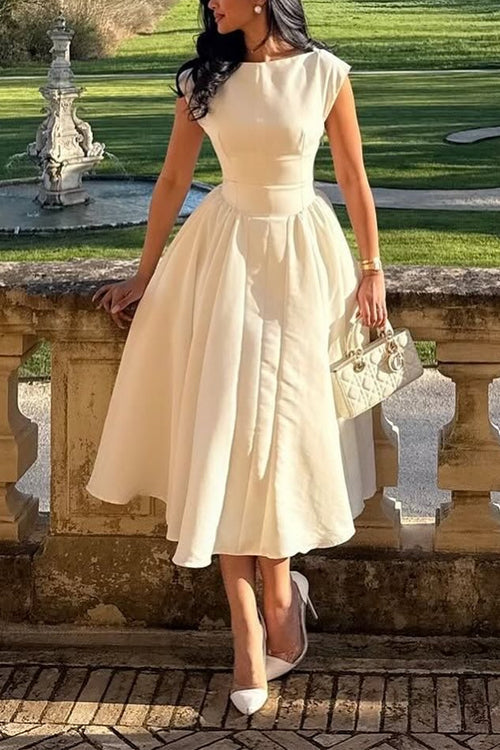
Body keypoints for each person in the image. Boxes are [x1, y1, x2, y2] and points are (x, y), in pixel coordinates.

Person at [85, 0, 387, 716]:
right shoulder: (203, 80)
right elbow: (171, 182)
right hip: (221, 259)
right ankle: (247, 630)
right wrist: (144, 274)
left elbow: (352, 176)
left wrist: (373, 267)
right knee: (221, 433)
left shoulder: (325, 73)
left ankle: (281, 592)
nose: (212, 3)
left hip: (304, 262)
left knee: (280, 436)